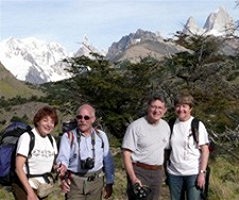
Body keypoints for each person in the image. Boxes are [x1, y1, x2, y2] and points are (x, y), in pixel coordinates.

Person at [56, 103, 114, 200]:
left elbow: (107, 160)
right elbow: (63, 158)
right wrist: (62, 167)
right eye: (79, 117)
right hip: (75, 183)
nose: (82, 120)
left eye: (86, 117)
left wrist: (109, 182)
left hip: (96, 182)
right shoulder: (68, 137)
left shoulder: (101, 136)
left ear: (93, 119)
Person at [122, 94, 171, 200]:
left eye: (160, 108)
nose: (156, 110)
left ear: (165, 110)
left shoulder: (165, 126)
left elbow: (166, 151)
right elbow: (126, 154)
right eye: (153, 107)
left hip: (157, 173)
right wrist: (133, 178)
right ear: (148, 107)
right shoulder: (135, 126)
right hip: (140, 171)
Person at [166, 93, 210, 200]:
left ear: (190, 108)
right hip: (174, 173)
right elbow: (166, 149)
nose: (181, 109)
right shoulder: (171, 124)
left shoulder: (197, 124)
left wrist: (202, 174)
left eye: (184, 106)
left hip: (193, 173)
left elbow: (205, 150)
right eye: (178, 106)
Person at [12, 106, 59, 200]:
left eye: (52, 122)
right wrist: (30, 193)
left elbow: (51, 163)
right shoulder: (27, 137)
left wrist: (56, 167)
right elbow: (18, 168)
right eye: (45, 120)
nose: (49, 124)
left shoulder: (51, 140)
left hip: (43, 188)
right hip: (25, 187)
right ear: (38, 121)